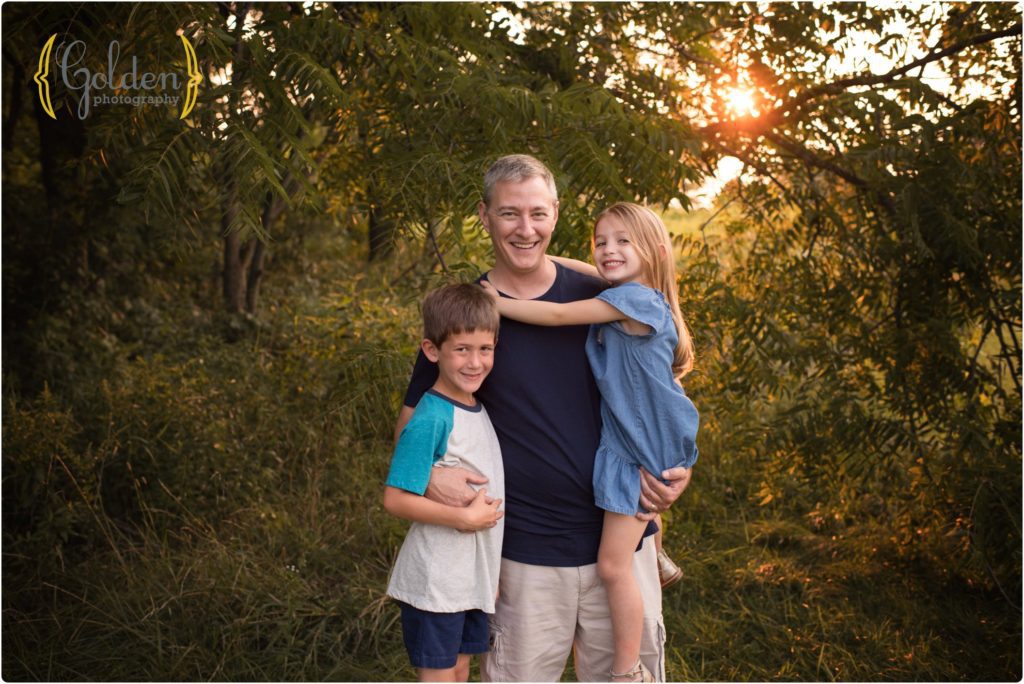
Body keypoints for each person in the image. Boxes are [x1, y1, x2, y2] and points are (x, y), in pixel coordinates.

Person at [395, 154, 692, 682]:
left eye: (537, 213)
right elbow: (414, 423)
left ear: (555, 215)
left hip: (621, 537)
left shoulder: (605, 295)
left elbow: (655, 390)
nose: (525, 229)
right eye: (509, 214)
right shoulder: (468, 316)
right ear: (485, 217)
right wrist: (432, 477)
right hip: (524, 554)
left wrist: (676, 470)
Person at [481, 202, 699, 682]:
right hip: (635, 436)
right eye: (601, 242)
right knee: (626, 536)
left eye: (624, 242)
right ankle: (656, 545)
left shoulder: (633, 302)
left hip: (642, 441)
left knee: (613, 567)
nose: (608, 252)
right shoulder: (631, 290)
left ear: (656, 252)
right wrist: (558, 261)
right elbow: (586, 269)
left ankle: (625, 671)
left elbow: (559, 317)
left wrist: (497, 302)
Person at [383, 284, 506, 683]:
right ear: (432, 351)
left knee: (460, 669)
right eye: (462, 349)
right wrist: (462, 520)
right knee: (438, 675)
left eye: (484, 349)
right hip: (437, 579)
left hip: (469, 577)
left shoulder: (477, 406)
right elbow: (395, 499)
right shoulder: (433, 415)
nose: (475, 362)